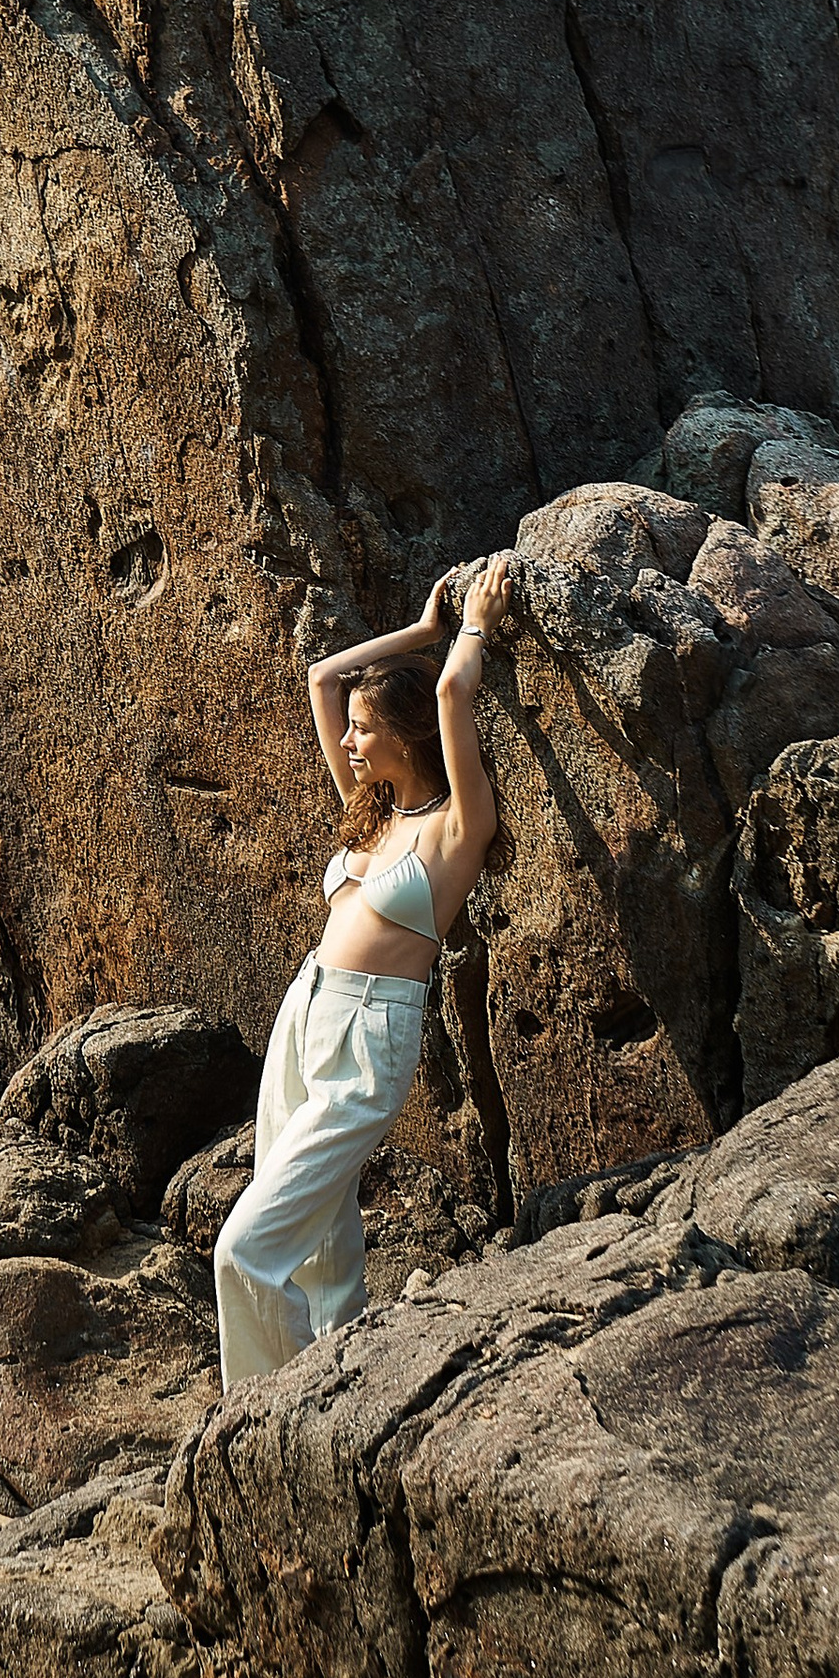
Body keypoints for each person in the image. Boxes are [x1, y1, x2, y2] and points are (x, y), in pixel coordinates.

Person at [213, 555, 515, 1387]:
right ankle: (338, 1379)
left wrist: (476, 626)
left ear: (405, 735)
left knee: (246, 1245)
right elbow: (321, 677)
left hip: (371, 1031)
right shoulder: (376, 810)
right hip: (306, 1010)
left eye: (364, 728)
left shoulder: (460, 825)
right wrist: (421, 631)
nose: (346, 740)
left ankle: (265, 1408)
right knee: (318, 1237)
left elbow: (454, 695)